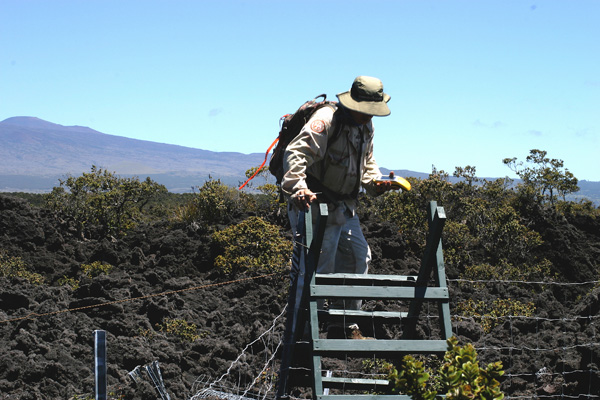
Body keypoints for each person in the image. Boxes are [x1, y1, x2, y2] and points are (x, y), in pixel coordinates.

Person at [281, 76, 398, 337]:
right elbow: (296, 153)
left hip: (346, 206)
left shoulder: (366, 127)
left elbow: (367, 164)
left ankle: (343, 325)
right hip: (314, 204)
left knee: (358, 258)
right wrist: (298, 187)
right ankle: (301, 335)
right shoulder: (326, 119)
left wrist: (376, 183)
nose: (370, 116)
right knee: (316, 269)